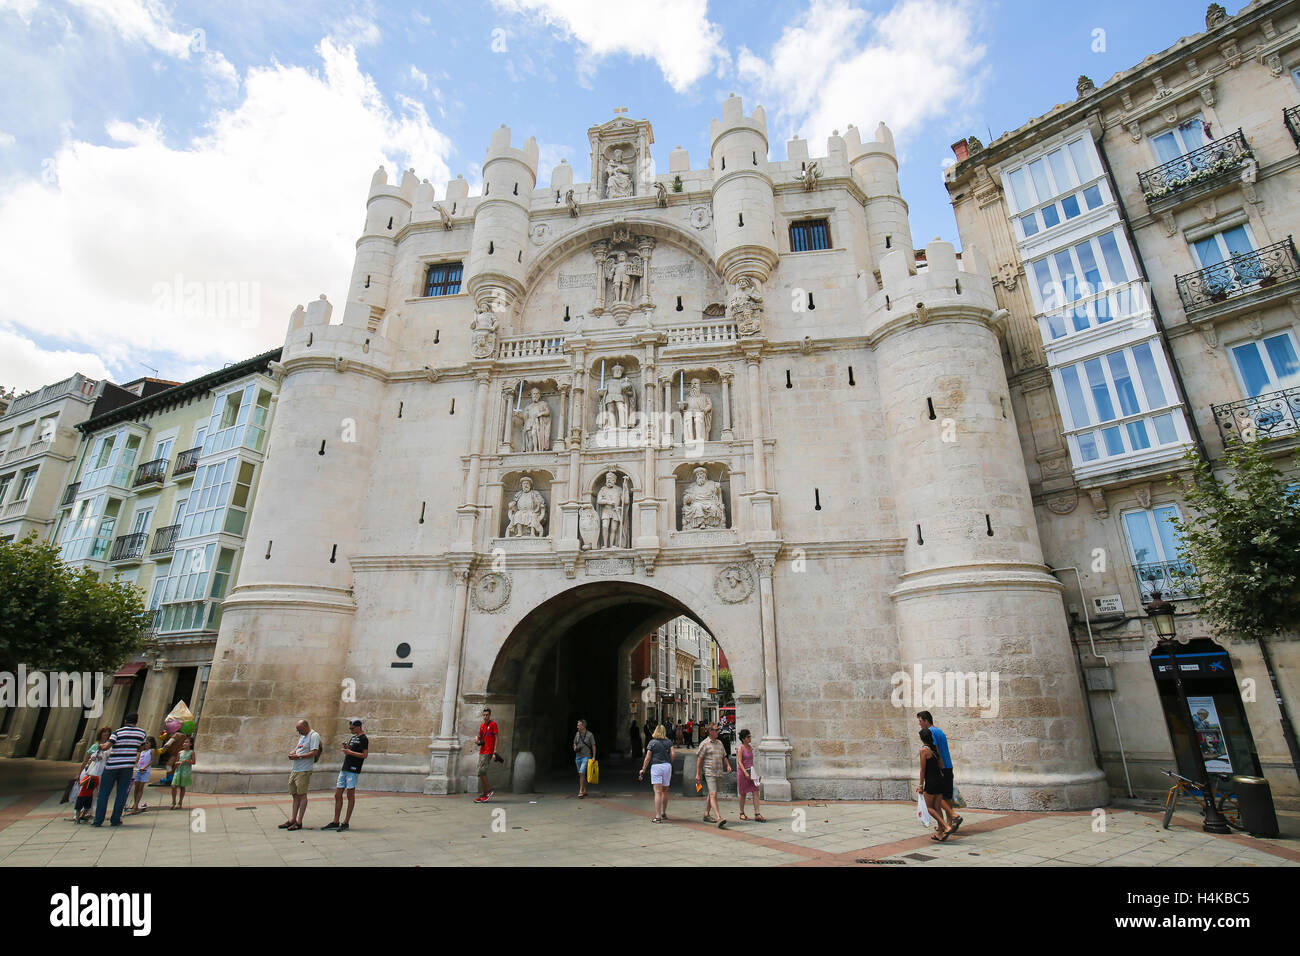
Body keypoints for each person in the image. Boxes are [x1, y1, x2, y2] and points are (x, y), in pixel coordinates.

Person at [93, 713, 146, 827]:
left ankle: (98, 820)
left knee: (104, 793)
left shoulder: (117, 732)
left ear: (125, 721)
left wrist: (101, 746)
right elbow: (141, 748)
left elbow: (106, 747)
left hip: (112, 766)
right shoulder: (142, 733)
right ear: (136, 721)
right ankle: (116, 819)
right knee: (122, 793)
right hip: (127, 767)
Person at [917, 711, 961, 833]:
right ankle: (948, 824)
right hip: (948, 766)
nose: (920, 724)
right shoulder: (939, 731)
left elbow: (936, 752)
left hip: (940, 770)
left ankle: (952, 818)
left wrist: (938, 771)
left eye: (920, 721)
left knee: (939, 799)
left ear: (926, 720)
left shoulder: (931, 733)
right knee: (946, 796)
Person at [324, 718, 369, 829]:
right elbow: (351, 751)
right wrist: (347, 748)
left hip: (353, 770)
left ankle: (346, 822)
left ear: (358, 727)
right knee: (337, 794)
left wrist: (350, 752)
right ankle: (335, 820)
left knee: (350, 795)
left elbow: (364, 755)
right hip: (345, 767)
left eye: (352, 728)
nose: (351, 730)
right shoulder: (353, 737)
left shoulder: (364, 738)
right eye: (350, 728)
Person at [280, 719, 321, 831]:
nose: (298, 732)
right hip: (296, 768)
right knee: (294, 794)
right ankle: (292, 819)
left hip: (304, 769)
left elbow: (314, 752)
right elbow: (299, 748)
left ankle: (299, 821)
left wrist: (299, 757)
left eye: (299, 730)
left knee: (302, 794)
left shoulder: (314, 735)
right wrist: (293, 752)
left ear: (305, 727)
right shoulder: (303, 736)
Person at [918, 728, 954, 842]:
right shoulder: (934, 748)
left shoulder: (924, 750)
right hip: (940, 780)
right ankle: (940, 833)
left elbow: (923, 769)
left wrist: (920, 785)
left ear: (922, 738)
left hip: (931, 781)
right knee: (937, 807)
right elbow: (942, 764)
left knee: (929, 808)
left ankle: (946, 826)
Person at [695, 723, 732, 828]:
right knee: (713, 794)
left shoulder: (719, 743)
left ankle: (706, 814)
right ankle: (719, 817)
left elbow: (724, 756)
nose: (718, 732)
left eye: (718, 730)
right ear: (710, 731)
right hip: (709, 772)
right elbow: (699, 760)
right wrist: (698, 774)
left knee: (712, 794)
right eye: (716, 730)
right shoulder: (705, 744)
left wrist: (728, 765)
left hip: (718, 772)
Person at [638, 724, 675, 822]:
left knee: (657, 792)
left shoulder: (652, 742)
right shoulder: (669, 742)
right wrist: (670, 762)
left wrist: (643, 769)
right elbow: (673, 754)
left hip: (656, 767)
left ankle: (658, 816)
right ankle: (663, 812)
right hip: (667, 766)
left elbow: (648, 758)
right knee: (665, 791)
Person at [736, 729, 765, 822]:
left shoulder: (750, 747)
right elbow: (739, 761)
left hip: (751, 771)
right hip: (743, 772)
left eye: (750, 736)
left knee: (756, 791)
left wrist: (754, 773)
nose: (750, 738)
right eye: (748, 737)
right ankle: (741, 812)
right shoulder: (740, 748)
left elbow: (751, 761)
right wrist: (745, 772)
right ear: (743, 739)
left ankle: (757, 813)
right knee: (743, 793)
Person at [474, 708, 501, 803]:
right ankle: (485, 792)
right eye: (484, 715)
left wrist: (495, 751)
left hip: (488, 751)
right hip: (482, 751)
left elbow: (497, 738)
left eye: (487, 715)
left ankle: (488, 790)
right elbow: (480, 737)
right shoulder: (482, 726)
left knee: (482, 770)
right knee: (479, 772)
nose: (485, 717)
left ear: (490, 715)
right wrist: (477, 739)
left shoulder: (493, 725)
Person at [128, 735, 157, 815]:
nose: (146, 745)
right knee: (136, 788)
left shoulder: (152, 751)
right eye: (145, 743)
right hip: (138, 770)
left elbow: (152, 760)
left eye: (147, 743)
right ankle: (135, 803)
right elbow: (137, 761)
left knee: (140, 787)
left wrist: (145, 767)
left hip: (145, 771)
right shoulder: (141, 752)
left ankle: (136, 804)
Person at [573, 719, 596, 798]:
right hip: (578, 757)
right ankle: (585, 790)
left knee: (582, 773)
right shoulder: (577, 734)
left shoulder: (590, 735)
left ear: (583, 726)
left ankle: (581, 791)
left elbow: (593, 746)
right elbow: (574, 743)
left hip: (586, 757)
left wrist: (593, 757)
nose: (577, 726)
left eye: (578, 725)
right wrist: (575, 748)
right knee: (581, 774)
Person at [170, 735, 194, 810]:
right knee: (173, 786)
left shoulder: (191, 752)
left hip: (185, 771)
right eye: (184, 742)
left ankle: (180, 802)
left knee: (182, 787)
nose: (184, 743)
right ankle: (173, 801)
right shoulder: (180, 752)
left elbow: (193, 762)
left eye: (186, 742)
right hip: (178, 770)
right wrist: (176, 764)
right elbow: (176, 761)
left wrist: (187, 761)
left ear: (190, 744)